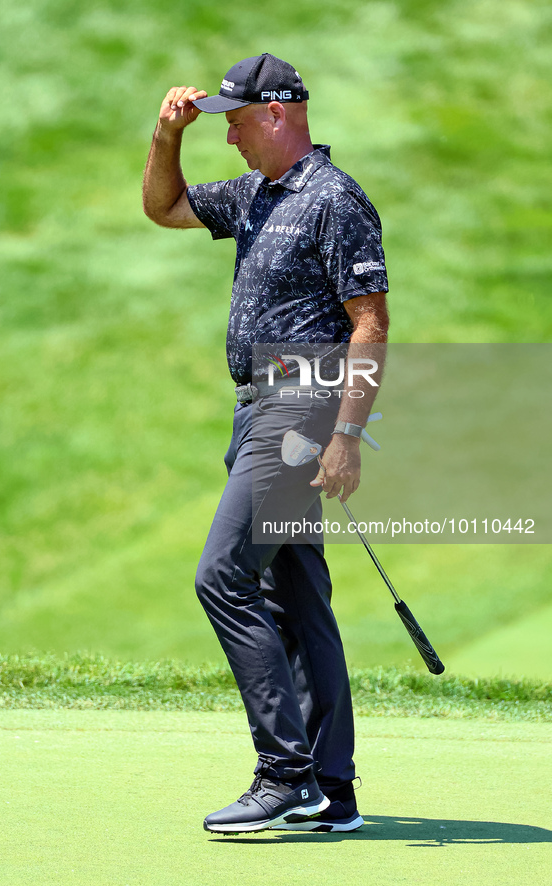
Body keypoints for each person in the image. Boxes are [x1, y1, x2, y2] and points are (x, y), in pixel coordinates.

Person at [142, 53, 389, 834]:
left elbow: (369, 324)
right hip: (261, 409)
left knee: (221, 577)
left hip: (301, 404)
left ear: (278, 114)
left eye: (237, 123)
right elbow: (167, 208)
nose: (231, 139)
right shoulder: (255, 193)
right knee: (295, 598)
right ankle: (330, 789)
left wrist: (346, 434)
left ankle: (282, 772)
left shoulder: (333, 199)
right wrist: (164, 138)